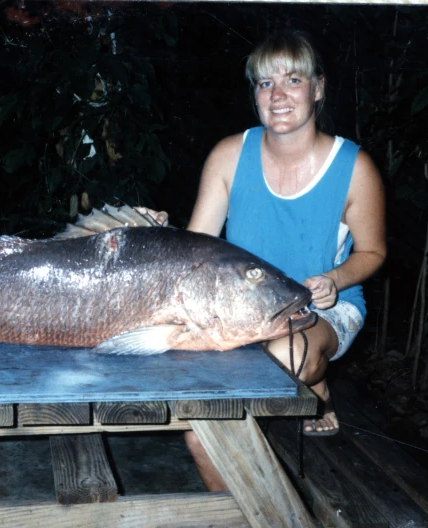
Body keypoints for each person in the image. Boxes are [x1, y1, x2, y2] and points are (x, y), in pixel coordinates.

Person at [139, 30, 386, 492]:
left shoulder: (355, 167)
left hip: (322, 309)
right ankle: (241, 511)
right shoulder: (229, 155)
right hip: (235, 309)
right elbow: (197, 249)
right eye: (264, 83)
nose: (278, 95)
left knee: (287, 354)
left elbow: (373, 252)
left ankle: (315, 381)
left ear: (318, 87)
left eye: (293, 80)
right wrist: (157, 236)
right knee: (202, 428)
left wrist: (336, 279)